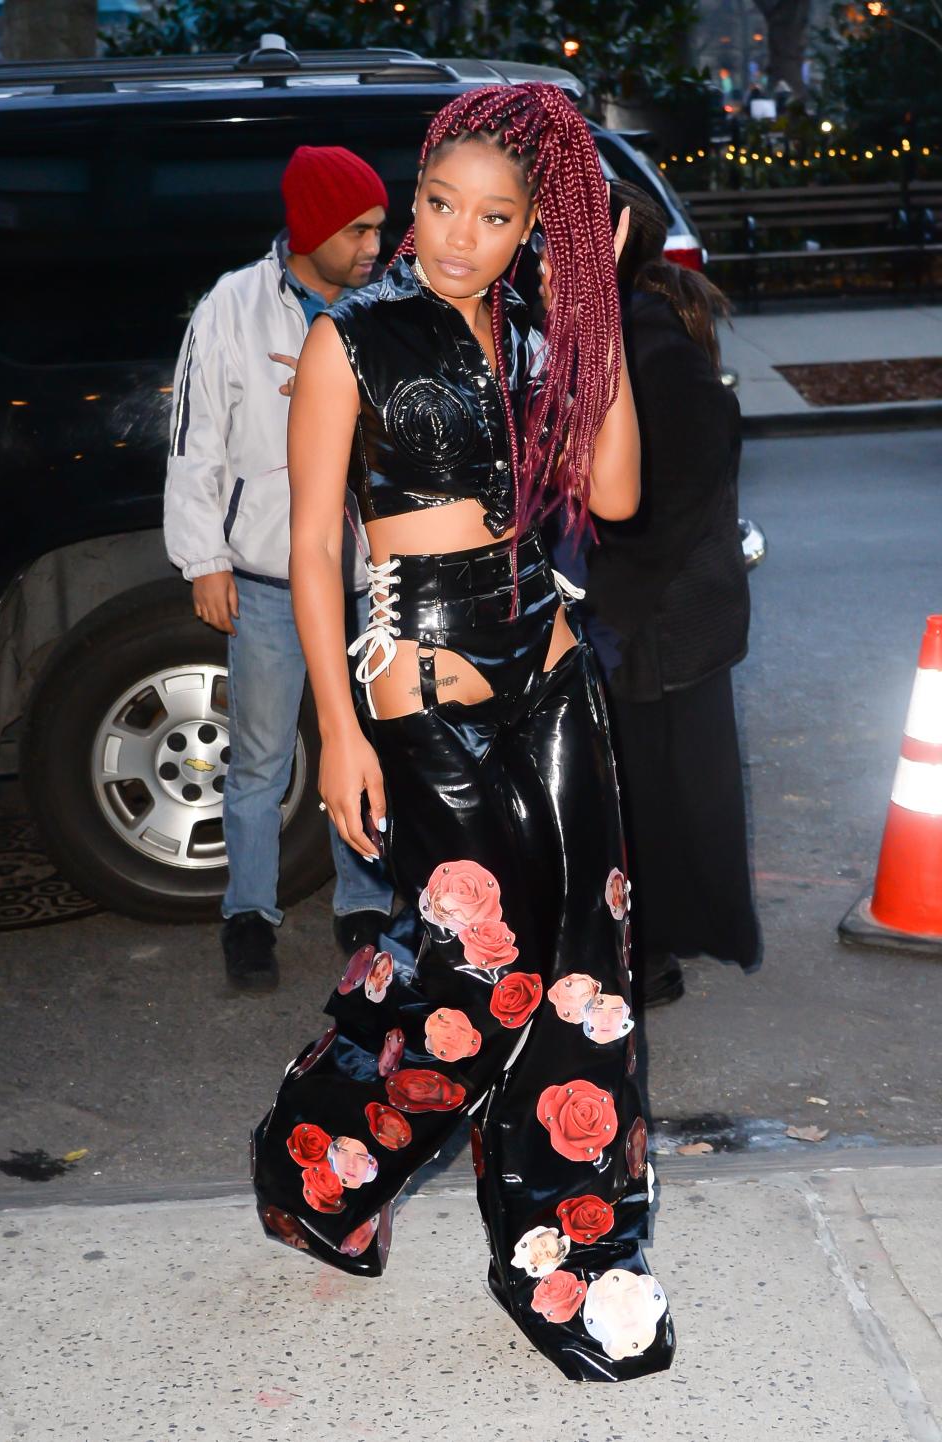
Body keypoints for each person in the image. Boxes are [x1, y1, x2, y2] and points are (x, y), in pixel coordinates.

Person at [251, 84, 675, 1382]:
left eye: (495, 218)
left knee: (585, 961)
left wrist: (589, 316)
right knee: (477, 978)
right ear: (418, 190)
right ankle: (318, 1149)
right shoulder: (353, 340)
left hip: (547, 670)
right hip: (422, 688)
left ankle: (572, 1250)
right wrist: (339, 725)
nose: (454, 236)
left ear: (536, 228)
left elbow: (614, 491)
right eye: (440, 204)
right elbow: (313, 546)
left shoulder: (544, 335)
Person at [164, 146, 396, 993]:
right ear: (311, 229)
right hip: (265, 575)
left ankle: (366, 902)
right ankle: (249, 916)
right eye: (359, 228)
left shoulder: (388, 304)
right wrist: (204, 558)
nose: (377, 243)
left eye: (380, 225)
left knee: (366, 742)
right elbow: (195, 441)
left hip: (371, 582)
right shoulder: (233, 307)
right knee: (261, 756)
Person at [563, 180, 760, 1006]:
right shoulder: (619, 334)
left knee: (649, 795)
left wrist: (602, 598)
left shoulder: (647, 344)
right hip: (650, 613)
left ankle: (646, 957)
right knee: (650, 791)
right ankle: (648, 950)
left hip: (661, 619)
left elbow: (676, 492)